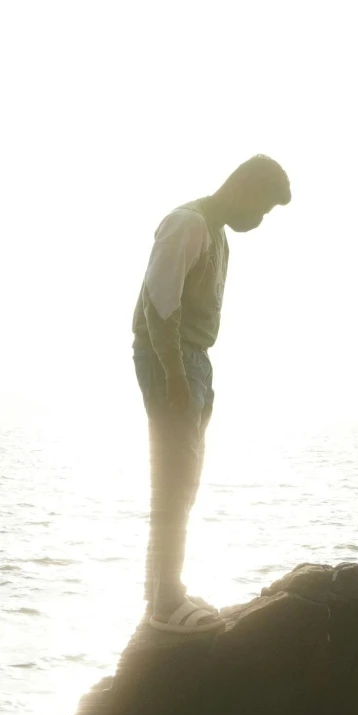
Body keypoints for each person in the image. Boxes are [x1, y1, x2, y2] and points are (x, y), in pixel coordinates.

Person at [132, 155, 291, 631]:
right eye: (261, 208)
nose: (259, 221)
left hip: (194, 359)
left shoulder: (216, 233)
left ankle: (163, 593)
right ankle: (165, 605)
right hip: (171, 359)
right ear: (241, 189)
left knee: (183, 485)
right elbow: (160, 306)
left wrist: (194, 374)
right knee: (173, 482)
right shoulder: (188, 224)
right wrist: (177, 375)